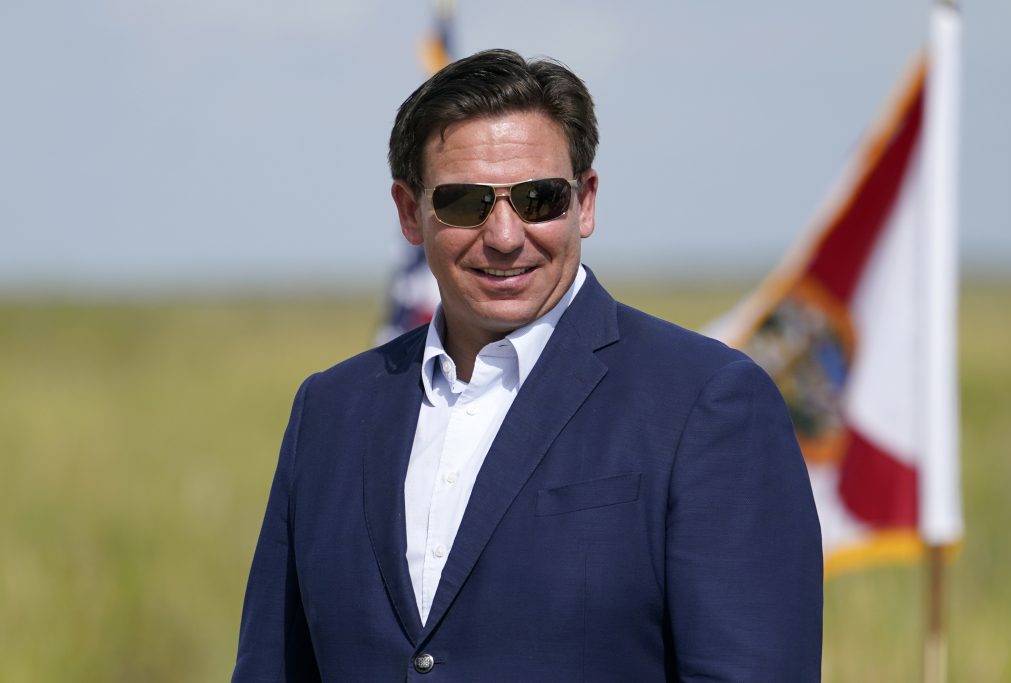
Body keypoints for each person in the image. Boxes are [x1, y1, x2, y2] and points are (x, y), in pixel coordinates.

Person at [232, 48, 822, 681]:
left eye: (539, 198)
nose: (506, 236)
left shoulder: (706, 402)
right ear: (409, 212)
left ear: (585, 202)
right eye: (464, 202)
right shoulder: (329, 412)